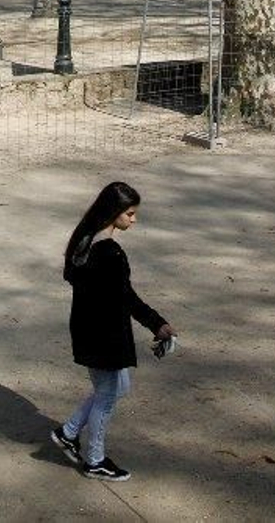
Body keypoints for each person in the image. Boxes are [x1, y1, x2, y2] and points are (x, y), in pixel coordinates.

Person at [50, 181, 175, 482]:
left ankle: (68, 432)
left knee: (117, 388)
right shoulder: (110, 252)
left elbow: (75, 277)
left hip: (85, 328)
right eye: (130, 214)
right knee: (107, 395)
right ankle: (94, 460)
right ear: (115, 212)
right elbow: (126, 297)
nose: (134, 219)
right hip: (104, 335)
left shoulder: (82, 239)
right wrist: (158, 324)